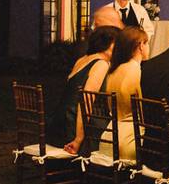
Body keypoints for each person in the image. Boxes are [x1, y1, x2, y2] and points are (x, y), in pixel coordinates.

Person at [47, 25, 120, 153]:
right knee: (118, 132)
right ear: (108, 44)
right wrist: (79, 138)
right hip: (73, 124)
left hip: (58, 122)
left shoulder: (82, 59)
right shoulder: (101, 64)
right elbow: (86, 100)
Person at [101, 26, 150, 161]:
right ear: (140, 46)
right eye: (147, 43)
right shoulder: (136, 72)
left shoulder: (113, 71)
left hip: (108, 137)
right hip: (130, 141)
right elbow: (142, 112)